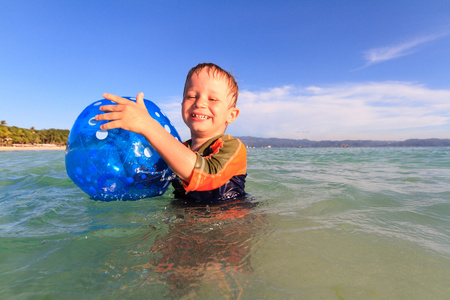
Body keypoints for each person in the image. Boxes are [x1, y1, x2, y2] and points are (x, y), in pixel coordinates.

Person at [95, 63, 247, 203]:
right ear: (182, 104)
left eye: (213, 99)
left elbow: (208, 174)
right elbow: (147, 180)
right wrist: (121, 144)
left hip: (228, 226)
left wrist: (148, 126)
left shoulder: (232, 147)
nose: (199, 103)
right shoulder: (177, 148)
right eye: (191, 96)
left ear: (231, 115)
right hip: (185, 222)